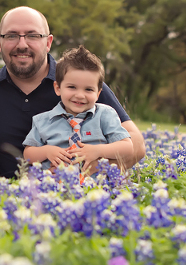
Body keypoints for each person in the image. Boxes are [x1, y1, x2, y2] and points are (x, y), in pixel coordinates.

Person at [0, 6, 146, 178]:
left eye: (33, 35)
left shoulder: (80, 84)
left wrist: (90, 171)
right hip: (8, 196)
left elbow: (136, 146)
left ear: (48, 42)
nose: (22, 44)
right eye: (11, 35)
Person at [23, 45, 132, 177]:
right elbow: (28, 154)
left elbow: (127, 148)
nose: (80, 95)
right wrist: (46, 151)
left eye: (88, 89)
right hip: (56, 186)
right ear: (57, 88)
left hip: (98, 189)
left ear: (98, 93)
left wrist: (98, 151)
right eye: (72, 87)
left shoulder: (105, 115)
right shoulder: (43, 121)